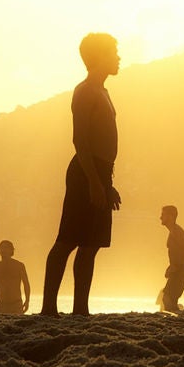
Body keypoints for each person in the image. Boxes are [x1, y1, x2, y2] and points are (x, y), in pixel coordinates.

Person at [43, 33, 122, 316]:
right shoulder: (85, 91)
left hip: (101, 172)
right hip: (85, 172)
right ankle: (48, 308)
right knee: (67, 240)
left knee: (90, 245)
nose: (118, 57)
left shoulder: (103, 91)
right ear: (99, 57)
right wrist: (93, 183)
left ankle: (80, 308)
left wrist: (107, 184)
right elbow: (81, 142)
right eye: (114, 52)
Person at [158, 205, 184, 312]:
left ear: (171, 216)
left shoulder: (177, 232)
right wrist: (171, 266)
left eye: (163, 215)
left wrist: (174, 266)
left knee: (167, 299)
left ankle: (176, 319)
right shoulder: (173, 231)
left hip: (181, 269)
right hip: (178, 269)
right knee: (167, 299)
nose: (160, 217)